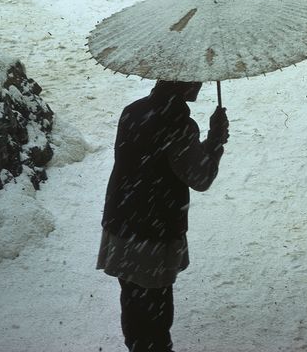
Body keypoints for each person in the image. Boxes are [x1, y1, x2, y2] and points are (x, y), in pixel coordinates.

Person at [97, 80, 229, 352]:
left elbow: (156, 160)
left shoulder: (133, 111)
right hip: (153, 232)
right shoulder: (177, 124)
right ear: (182, 85)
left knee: (134, 304)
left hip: (123, 221)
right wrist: (215, 139)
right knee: (156, 313)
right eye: (195, 79)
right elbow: (199, 176)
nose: (201, 84)